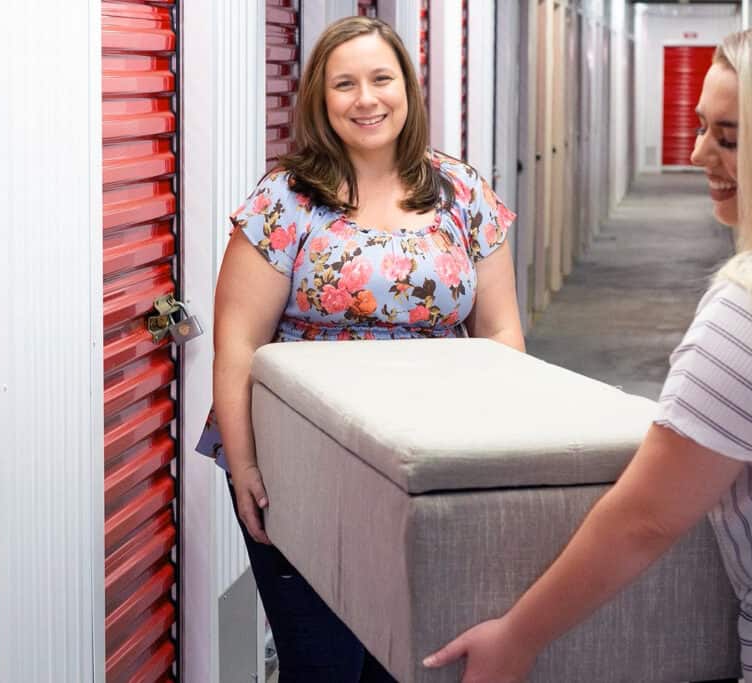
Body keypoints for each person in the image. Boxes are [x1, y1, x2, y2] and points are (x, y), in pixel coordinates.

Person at [424, 15, 752, 683]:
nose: (698, 153)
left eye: (728, 137)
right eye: (702, 125)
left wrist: (518, 636)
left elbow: (647, 515)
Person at [194, 14, 524, 683]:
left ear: (408, 88)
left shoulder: (463, 194)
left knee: (413, 659)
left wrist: (500, 458)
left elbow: (501, 334)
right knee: (324, 663)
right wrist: (248, 463)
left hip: (430, 459)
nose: (366, 98)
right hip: (301, 458)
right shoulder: (285, 200)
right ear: (320, 98)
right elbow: (237, 341)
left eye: (381, 78)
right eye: (345, 84)